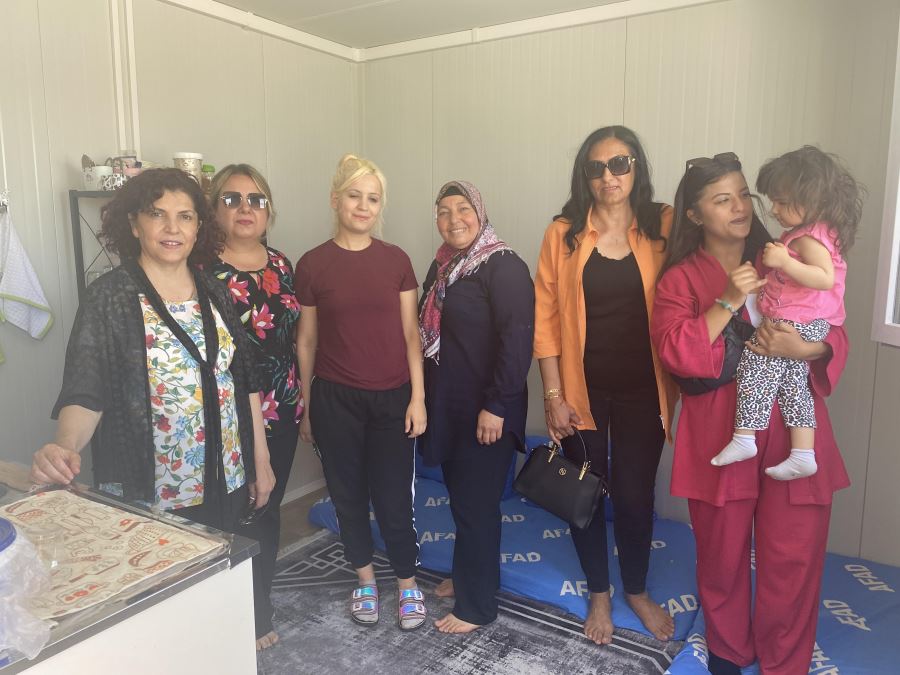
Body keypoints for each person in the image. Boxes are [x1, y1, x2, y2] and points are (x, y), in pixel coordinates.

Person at [650, 152, 849, 675]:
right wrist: (727, 299)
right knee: (722, 552)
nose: (740, 207)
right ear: (694, 214)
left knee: (794, 553)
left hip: (793, 425)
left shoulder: (786, 253)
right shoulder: (679, 280)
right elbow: (678, 354)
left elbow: (833, 327)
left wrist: (807, 349)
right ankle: (728, 649)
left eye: (744, 195)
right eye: (722, 199)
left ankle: (786, 662)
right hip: (721, 429)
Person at [30, 167, 276, 541]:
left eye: (185, 217)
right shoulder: (109, 298)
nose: (172, 228)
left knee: (231, 574)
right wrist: (64, 446)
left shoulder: (215, 291)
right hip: (151, 492)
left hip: (229, 477)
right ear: (134, 224)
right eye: (157, 214)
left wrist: (261, 459)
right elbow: (86, 390)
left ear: (198, 227)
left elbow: (243, 379)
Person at [533, 125, 679, 644]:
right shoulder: (563, 233)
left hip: (644, 389)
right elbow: (545, 321)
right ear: (585, 176)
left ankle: (635, 589)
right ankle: (599, 592)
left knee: (636, 496)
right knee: (586, 492)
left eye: (619, 164)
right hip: (581, 390)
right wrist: (553, 396)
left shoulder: (663, 224)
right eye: (596, 167)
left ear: (636, 167)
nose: (608, 176)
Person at [294, 154, 427, 630]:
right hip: (335, 400)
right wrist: (308, 408)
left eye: (372, 198)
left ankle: (407, 584)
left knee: (394, 500)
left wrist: (418, 398)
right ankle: (365, 581)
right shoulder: (313, 264)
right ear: (336, 200)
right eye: (354, 196)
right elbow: (306, 340)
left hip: (392, 398)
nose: (363, 206)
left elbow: (411, 335)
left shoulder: (396, 261)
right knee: (347, 496)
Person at [418, 180, 534, 634]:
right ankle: (469, 575)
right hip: (450, 407)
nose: (454, 219)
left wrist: (497, 406)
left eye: (463, 208)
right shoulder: (445, 265)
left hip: (485, 412)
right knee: (464, 503)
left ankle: (477, 607)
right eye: (444, 211)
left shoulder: (503, 266)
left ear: (480, 213)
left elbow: (517, 342)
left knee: (477, 507)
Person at [711, 146, 863, 481]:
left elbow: (824, 278)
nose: (774, 210)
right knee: (795, 384)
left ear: (813, 199)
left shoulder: (809, 238)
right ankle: (803, 453)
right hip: (807, 321)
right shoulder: (807, 233)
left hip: (799, 321)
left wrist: (785, 262)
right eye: (773, 201)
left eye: (782, 202)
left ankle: (744, 436)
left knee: (755, 366)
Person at [209, 164, 303, 650]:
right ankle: (231, 609)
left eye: (256, 199)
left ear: (269, 211)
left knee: (268, 508)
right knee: (232, 513)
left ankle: (259, 600)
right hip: (225, 413)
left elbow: (299, 337)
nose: (245, 208)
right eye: (232, 199)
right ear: (214, 209)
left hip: (282, 406)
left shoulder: (282, 264)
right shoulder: (200, 268)